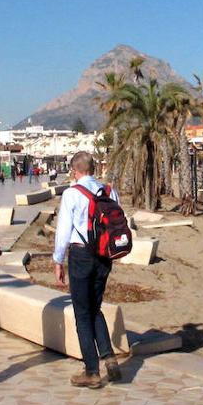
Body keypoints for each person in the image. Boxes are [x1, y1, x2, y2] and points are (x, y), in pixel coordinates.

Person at [53, 151, 121, 389]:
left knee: (82, 312)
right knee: (95, 307)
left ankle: (92, 371)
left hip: (81, 254)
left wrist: (57, 260)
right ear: (93, 169)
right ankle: (109, 358)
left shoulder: (72, 194)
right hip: (105, 255)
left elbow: (63, 231)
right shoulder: (109, 191)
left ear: (75, 170)